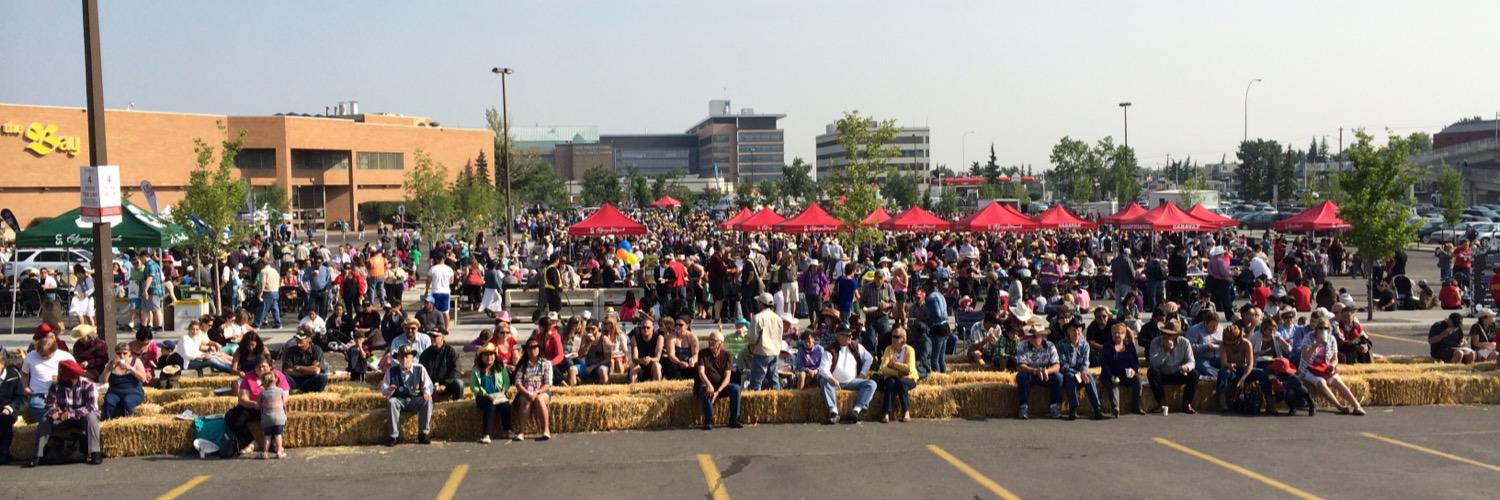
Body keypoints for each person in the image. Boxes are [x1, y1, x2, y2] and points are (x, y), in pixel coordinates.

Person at [25, 360, 102, 467]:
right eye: (61, 376)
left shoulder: (88, 385)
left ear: (73, 377)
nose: (61, 379)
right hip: (62, 420)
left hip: (81, 420)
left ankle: (95, 452)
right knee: (44, 419)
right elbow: (49, 404)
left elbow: (91, 407)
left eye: (64, 377)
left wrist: (71, 414)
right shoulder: (55, 385)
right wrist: (54, 411)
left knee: (92, 416)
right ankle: (38, 455)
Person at [1299, 318, 1365, 415]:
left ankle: (1356, 406)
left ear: (1329, 329)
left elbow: (1335, 358)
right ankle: (1339, 406)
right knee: (1321, 382)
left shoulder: (1331, 339)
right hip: (1309, 368)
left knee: (1337, 381)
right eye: (1320, 328)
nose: (1323, 330)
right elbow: (1305, 357)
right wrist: (1317, 344)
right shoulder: (1308, 337)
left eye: (1325, 328)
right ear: (1316, 329)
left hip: (1324, 366)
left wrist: (1333, 365)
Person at [818, 328, 876, 424]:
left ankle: (856, 411)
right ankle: (834, 412)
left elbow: (869, 358)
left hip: (852, 381)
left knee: (872, 384)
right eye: (847, 335)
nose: (850, 337)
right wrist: (831, 378)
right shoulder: (830, 349)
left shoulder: (856, 346)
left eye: (850, 335)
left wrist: (862, 374)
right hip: (835, 384)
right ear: (839, 336)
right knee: (823, 381)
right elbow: (823, 368)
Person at [381, 345, 433, 446]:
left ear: (412, 357)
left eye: (407, 356)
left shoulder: (420, 368)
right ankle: (393, 436)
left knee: (428, 400)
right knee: (391, 402)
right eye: (401, 356)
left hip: (415, 399)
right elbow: (383, 390)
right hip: (399, 400)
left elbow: (428, 385)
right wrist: (389, 389)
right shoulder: (391, 371)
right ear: (398, 358)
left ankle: (423, 433)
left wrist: (427, 393)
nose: (404, 359)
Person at [1215, 325, 1272, 414]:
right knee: (1222, 373)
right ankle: (1222, 402)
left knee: (1263, 374)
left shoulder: (1246, 343)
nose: (1231, 344)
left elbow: (1250, 365)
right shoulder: (1223, 344)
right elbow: (1223, 363)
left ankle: (1269, 402)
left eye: (1233, 342)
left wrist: (1243, 379)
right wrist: (1228, 365)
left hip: (1244, 369)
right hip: (1231, 369)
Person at [21, 334, 76, 423]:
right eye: (41, 355)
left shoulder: (65, 356)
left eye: (46, 355)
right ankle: (56, 420)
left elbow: (76, 376)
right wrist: (25, 387)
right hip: (39, 395)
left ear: (54, 351)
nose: (43, 357)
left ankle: (53, 421)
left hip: (61, 393)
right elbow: (24, 374)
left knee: (66, 408)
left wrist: (62, 378)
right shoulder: (31, 356)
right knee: (36, 406)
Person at [694, 330, 743, 430]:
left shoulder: (727, 355)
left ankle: (734, 418)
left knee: (736, 388)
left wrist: (718, 391)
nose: (711, 342)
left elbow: (727, 377)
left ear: (721, 343)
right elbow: (701, 373)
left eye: (714, 340)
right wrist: (709, 385)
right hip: (705, 384)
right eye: (710, 339)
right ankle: (709, 419)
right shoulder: (703, 353)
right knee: (705, 389)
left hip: (721, 386)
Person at [1014, 322, 1064, 419]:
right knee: (1021, 376)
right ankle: (1023, 407)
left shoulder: (1050, 346)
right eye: (1031, 336)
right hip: (1030, 374)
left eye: (1035, 336)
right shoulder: (1022, 345)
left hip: (1046, 375)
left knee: (1059, 377)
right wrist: (1035, 371)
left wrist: (1046, 372)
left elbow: (1057, 365)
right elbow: (1020, 366)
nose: (1032, 338)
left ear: (1042, 336)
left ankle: (1054, 406)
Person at [1147, 320, 1197, 415]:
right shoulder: (1155, 342)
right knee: (1152, 372)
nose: (1166, 336)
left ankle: (1187, 403)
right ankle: (1161, 403)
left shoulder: (1184, 342)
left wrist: (1186, 367)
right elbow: (1153, 363)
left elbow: (1192, 361)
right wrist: (1165, 351)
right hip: (1162, 374)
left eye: (1170, 335)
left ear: (1176, 335)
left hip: (1178, 372)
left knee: (1194, 374)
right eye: (1164, 333)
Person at [1056, 321, 1104, 420]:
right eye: (1074, 330)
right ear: (1068, 332)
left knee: (1089, 377)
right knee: (1070, 377)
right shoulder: (1061, 344)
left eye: (1078, 330)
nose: (1076, 332)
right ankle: (1073, 408)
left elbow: (1086, 362)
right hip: (1068, 371)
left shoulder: (1085, 345)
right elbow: (1063, 364)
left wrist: (1083, 372)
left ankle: (1097, 408)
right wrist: (1077, 373)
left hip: (1081, 371)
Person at [469, 343, 513, 444]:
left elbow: (506, 381)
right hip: (483, 397)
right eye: (486, 355)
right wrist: (484, 393)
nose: (489, 357)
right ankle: (486, 434)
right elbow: (473, 386)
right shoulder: (476, 369)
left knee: (505, 405)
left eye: (491, 354)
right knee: (490, 406)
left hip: (498, 395)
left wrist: (503, 390)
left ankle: (507, 430)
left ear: (495, 355)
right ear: (481, 357)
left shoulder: (500, 367)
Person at [1099, 323, 1144, 416]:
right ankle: (1115, 408)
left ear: (1124, 335)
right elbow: (1104, 364)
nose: (1116, 335)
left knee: (1137, 379)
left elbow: (1136, 363)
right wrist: (1111, 376)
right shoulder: (1107, 346)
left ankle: (1137, 406)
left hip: (1125, 374)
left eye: (1119, 333)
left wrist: (1133, 370)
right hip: (1109, 374)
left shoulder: (1129, 345)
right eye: (1114, 333)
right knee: (1113, 384)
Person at [875, 326, 918, 423]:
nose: (893, 339)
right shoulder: (888, 349)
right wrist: (898, 372)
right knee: (890, 382)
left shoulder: (910, 350)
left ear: (903, 339)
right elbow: (883, 368)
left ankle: (906, 412)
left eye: (896, 337)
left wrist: (894, 364)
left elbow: (909, 369)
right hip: (894, 377)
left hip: (909, 378)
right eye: (892, 336)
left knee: (901, 383)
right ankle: (886, 412)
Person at [514, 339, 553, 441]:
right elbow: (518, 383)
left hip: (542, 391)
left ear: (539, 349)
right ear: (526, 350)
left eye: (535, 347)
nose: (533, 350)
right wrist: (528, 393)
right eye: (530, 348)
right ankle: (521, 432)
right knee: (526, 401)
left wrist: (537, 392)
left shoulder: (546, 363)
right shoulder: (523, 365)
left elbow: (548, 383)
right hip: (526, 392)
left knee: (539, 400)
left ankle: (546, 430)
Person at [99, 342, 150, 419]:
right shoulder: (111, 363)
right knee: (109, 401)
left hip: (133, 392)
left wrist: (131, 368)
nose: (122, 356)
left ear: (130, 353)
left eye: (124, 353)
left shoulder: (136, 361)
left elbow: (143, 378)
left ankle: (128, 423)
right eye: (118, 353)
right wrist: (109, 369)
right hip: (115, 391)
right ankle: (107, 423)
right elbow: (102, 381)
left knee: (128, 401)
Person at [747, 293, 784, 390]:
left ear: (761, 304)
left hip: (761, 351)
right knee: (774, 381)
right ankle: (777, 403)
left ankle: (755, 404)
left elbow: (752, 338)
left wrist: (751, 347)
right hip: (775, 352)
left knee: (756, 382)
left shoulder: (757, 317)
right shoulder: (778, 318)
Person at [419, 329, 463, 401]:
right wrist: (432, 386)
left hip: (447, 384)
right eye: (431, 336)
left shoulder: (451, 352)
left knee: (459, 384)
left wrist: (445, 384)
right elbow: (421, 373)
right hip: (430, 385)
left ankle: (456, 404)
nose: (432, 338)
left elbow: (456, 370)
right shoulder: (425, 354)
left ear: (443, 337)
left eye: (435, 336)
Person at [256, 370, 288, 460]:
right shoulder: (281, 391)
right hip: (279, 418)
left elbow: (258, 406)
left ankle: (265, 452)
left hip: (267, 419)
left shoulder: (262, 393)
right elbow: (284, 403)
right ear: (275, 380)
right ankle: (279, 451)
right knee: (278, 435)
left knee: (267, 436)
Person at [922, 279, 951, 374]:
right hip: (946, 326)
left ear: (928, 286)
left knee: (934, 360)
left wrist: (927, 320)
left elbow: (937, 315)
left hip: (937, 329)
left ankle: (938, 380)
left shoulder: (931, 297)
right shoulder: (941, 295)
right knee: (941, 359)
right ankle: (944, 378)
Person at [1, 349, 25, 465]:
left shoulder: (13, 376)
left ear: (2, 364)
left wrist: (10, 408)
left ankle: (3, 452)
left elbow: (21, 398)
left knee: (5, 420)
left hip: (8, 409)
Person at [628, 317, 664, 383]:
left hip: (653, 366)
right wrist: (641, 360)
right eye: (643, 327)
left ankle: (657, 389)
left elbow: (657, 358)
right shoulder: (634, 338)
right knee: (633, 367)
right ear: (640, 328)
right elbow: (634, 358)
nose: (646, 329)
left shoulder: (659, 337)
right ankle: (633, 390)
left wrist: (650, 359)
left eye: (648, 327)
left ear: (653, 328)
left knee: (657, 365)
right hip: (640, 366)